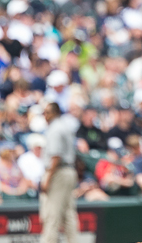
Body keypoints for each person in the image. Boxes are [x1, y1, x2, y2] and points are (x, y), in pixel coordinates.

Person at [40, 102, 79, 243]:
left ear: (55, 113)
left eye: (47, 112)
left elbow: (56, 157)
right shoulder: (64, 126)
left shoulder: (55, 129)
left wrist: (47, 178)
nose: (45, 115)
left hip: (58, 173)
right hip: (68, 171)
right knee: (68, 213)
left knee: (52, 214)